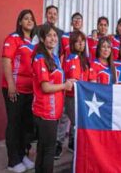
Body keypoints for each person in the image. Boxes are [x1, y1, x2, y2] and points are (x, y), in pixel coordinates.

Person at [32, 24, 75, 173]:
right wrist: (65, 85)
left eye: (55, 35)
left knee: (43, 148)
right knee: (48, 149)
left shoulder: (54, 57)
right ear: (42, 39)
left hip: (54, 110)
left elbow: (57, 80)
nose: (53, 38)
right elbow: (45, 87)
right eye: (49, 36)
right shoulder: (40, 59)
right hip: (45, 111)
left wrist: (70, 82)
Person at [1, 9, 37, 173]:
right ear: (20, 22)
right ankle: (13, 161)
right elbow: (7, 61)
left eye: (31, 19)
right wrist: (11, 85)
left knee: (27, 125)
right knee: (14, 124)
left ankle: (23, 155)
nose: (29, 21)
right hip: (15, 89)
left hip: (31, 91)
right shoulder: (13, 38)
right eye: (26, 18)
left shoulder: (35, 43)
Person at [55, 30, 90, 159]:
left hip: (79, 96)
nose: (81, 44)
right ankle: (59, 145)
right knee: (72, 121)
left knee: (67, 120)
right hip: (72, 96)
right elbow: (75, 79)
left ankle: (69, 143)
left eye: (83, 41)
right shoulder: (73, 57)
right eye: (78, 42)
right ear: (72, 44)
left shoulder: (84, 59)